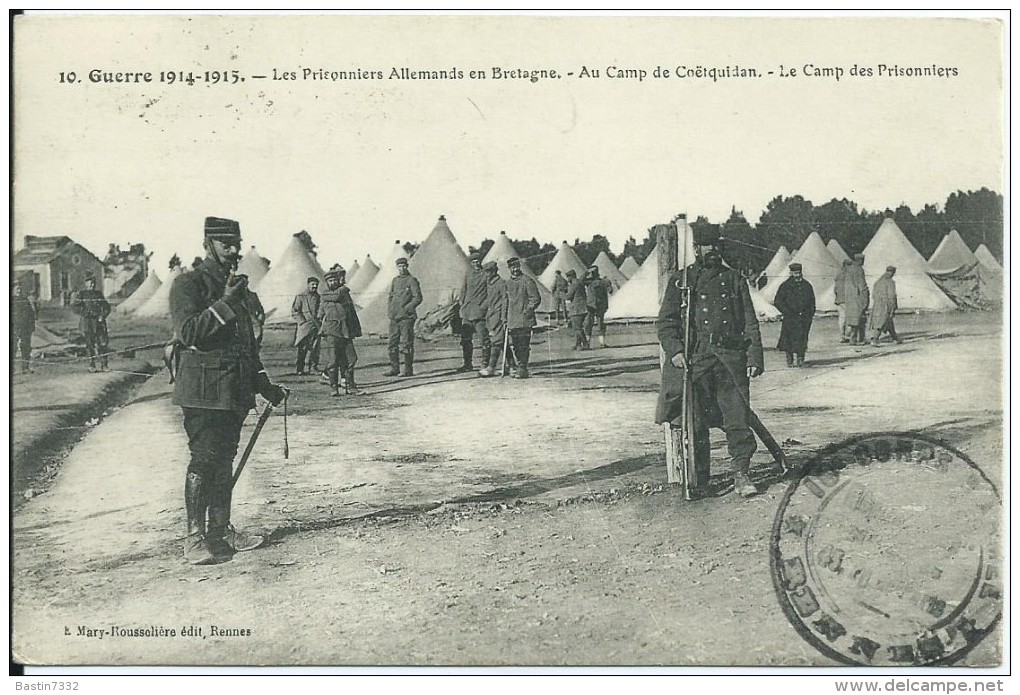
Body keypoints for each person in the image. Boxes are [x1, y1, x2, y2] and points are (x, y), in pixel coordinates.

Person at [169, 216, 287, 566]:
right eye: (226, 244)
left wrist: (264, 384)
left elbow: (247, 347)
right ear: (208, 244)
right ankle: (194, 538)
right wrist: (223, 303)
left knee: (224, 460)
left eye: (237, 243)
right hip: (202, 390)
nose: (234, 251)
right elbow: (188, 333)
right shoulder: (188, 284)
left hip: (234, 390)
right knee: (204, 459)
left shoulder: (241, 289)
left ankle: (220, 530)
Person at [655, 224, 764, 499]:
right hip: (696, 360)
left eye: (716, 245)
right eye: (707, 246)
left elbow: (750, 323)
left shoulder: (735, 280)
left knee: (737, 419)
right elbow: (666, 323)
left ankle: (742, 474)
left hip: (730, 360)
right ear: (696, 249)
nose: (713, 250)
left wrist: (753, 356)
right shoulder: (681, 281)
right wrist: (676, 351)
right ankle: (700, 479)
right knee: (696, 423)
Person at [318, 266, 364, 396]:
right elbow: (335, 297)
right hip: (332, 332)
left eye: (334, 280)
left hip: (345, 331)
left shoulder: (343, 294)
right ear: (327, 283)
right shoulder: (326, 294)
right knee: (333, 361)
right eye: (330, 281)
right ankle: (334, 388)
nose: (333, 282)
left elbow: (351, 312)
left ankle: (350, 386)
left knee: (351, 359)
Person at [504, 257, 541, 379]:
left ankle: (522, 368)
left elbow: (535, 298)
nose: (515, 270)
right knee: (515, 345)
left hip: (525, 320)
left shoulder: (527, 281)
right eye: (512, 267)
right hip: (513, 320)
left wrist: (527, 311)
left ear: (520, 267)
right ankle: (518, 365)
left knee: (523, 345)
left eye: (516, 267)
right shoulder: (507, 284)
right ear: (509, 269)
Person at [385, 257, 422, 377]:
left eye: (404, 266)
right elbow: (390, 296)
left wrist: (407, 309)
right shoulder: (395, 281)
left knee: (406, 344)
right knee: (392, 343)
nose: (402, 268)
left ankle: (407, 370)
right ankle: (394, 368)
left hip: (406, 317)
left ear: (407, 266)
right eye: (400, 266)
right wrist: (390, 310)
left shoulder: (412, 280)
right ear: (397, 267)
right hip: (395, 317)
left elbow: (418, 297)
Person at [773, 263, 816, 367]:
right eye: (795, 273)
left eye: (799, 273)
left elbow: (812, 301)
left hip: (804, 318)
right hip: (790, 318)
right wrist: (786, 311)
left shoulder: (807, 285)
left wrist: (810, 313)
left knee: (802, 338)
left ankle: (801, 360)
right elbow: (777, 301)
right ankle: (790, 359)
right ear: (791, 273)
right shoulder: (785, 286)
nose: (797, 275)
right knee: (789, 339)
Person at [457, 252, 490, 373]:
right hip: (467, 312)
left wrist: (483, 307)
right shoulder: (468, 274)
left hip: (480, 313)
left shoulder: (486, 274)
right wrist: (462, 302)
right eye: (473, 262)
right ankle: (467, 364)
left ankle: (485, 363)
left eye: (477, 261)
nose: (476, 264)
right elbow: (463, 289)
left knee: (484, 340)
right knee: (465, 340)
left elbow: (490, 293)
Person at [71, 274, 112, 372]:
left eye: (93, 283)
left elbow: (107, 307)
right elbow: (75, 307)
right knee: (90, 345)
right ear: (86, 284)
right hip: (88, 323)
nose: (92, 285)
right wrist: (87, 313)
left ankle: (104, 365)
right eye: (90, 283)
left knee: (103, 344)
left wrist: (103, 315)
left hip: (99, 323)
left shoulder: (99, 294)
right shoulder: (82, 294)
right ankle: (92, 365)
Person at [478, 260, 508, 377]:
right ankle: (512, 365)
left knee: (497, 341)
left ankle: (491, 367)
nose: (486, 274)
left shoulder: (501, 283)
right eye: (485, 272)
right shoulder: (489, 284)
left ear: (495, 272)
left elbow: (505, 300)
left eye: (488, 272)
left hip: (499, 315)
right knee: (500, 341)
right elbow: (490, 299)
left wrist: (504, 317)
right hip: (490, 316)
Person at [291, 276, 321, 375]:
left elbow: (321, 310)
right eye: (312, 284)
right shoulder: (301, 297)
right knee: (302, 348)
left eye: (316, 284)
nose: (314, 286)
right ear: (308, 285)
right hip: (304, 327)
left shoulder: (318, 297)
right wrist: (302, 321)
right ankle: (300, 369)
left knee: (315, 348)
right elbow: (295, 310)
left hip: (316, 326)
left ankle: (313, 367)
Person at [869, 266, 902, 346]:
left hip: (877, 304)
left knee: (888, 321)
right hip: (886, 305)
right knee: (882, 321)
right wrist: (893, 307)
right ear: (892, 272)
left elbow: (873, 295)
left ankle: (895, 338)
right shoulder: (890, 282)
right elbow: (892, 296)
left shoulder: (878, 281)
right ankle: (875, 339)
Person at [843, 253, 870, 345]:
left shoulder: (849, 269)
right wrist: (866, 296)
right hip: (858, 298)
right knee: (860, 319)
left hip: (849, 298)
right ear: (860, 260)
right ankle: (858, 339)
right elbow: (862, 285)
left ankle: (853, 338)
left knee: (854, 319)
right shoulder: (859, 270)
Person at [12, 282, 37, 374]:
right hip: (14, 328)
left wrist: (31, 327)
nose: (19, 291)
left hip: (25, 328)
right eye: (17, 289)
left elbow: (31, 314)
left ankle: (25, 368)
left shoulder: (24, 300)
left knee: (26, 348)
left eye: (20, 289)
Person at [583, 265, 611, 348]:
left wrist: (586, 273)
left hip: (593, 305)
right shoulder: (601, 281)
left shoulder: (591, 282)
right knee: (595, 324)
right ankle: (597, 342)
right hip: (595, 305)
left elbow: (607, 293)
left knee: (591, 324)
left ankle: (589, 343)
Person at [565, 269, 589, 350]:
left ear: (571, 277)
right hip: (582, 308)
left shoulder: (573, 285)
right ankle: (577, 344)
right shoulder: (580, 282)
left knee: (577, 328)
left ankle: (585, 343)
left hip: (576, 309)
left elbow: (568, 296)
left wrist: (562, 294)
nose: (567, 279)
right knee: (578, 327)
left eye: (568, 277)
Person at [833, 258, 852, 343]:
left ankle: (842, 336)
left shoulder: (838, 274)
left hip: (839, 300)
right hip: (847, 299)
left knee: (842, 318)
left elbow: (835, 289)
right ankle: (847, 335)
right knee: (849, 318)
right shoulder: (849, 275)